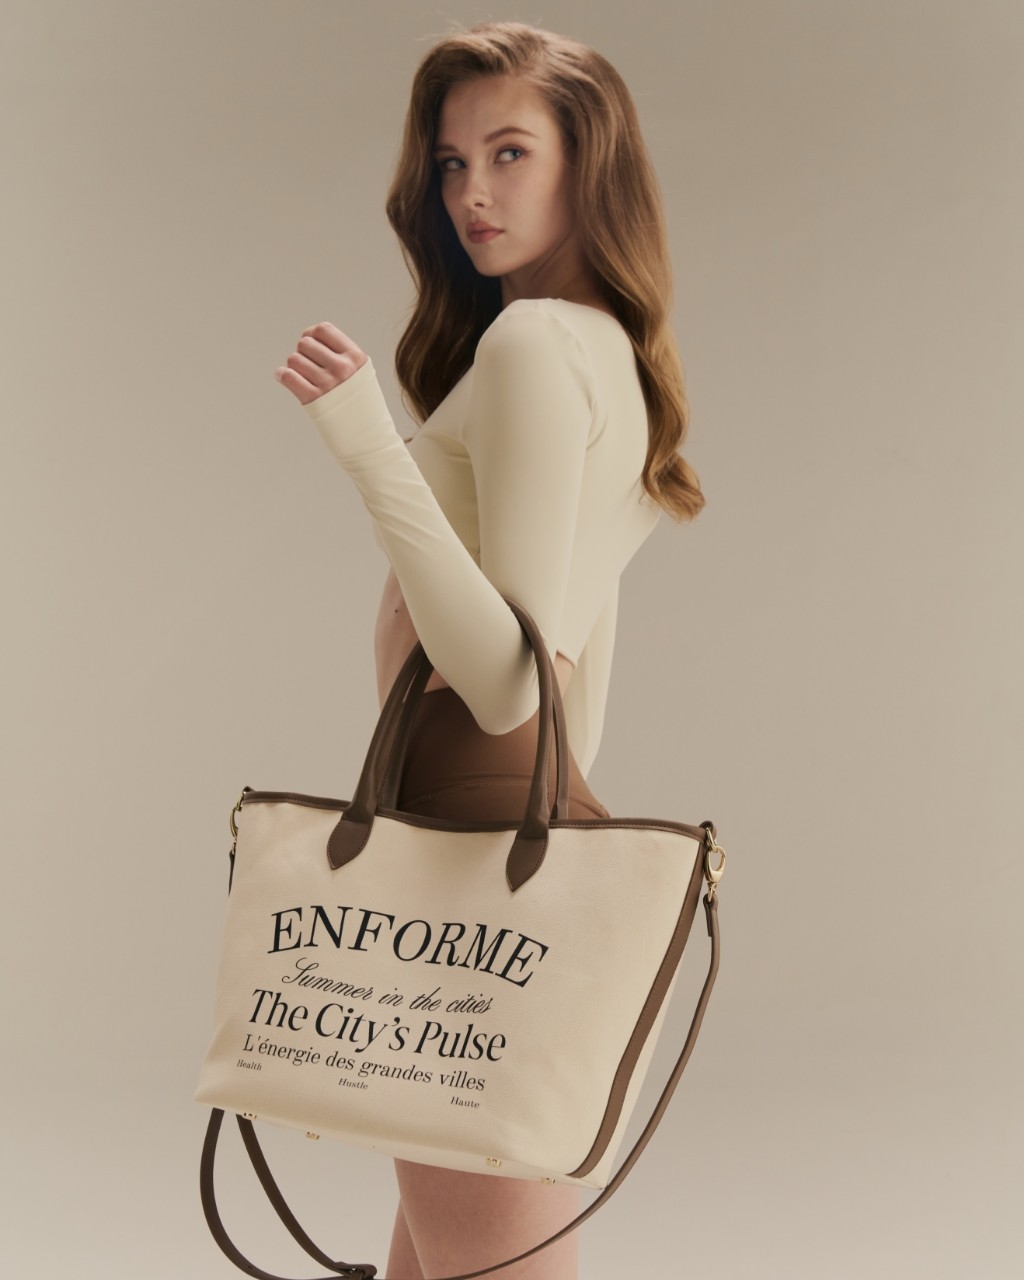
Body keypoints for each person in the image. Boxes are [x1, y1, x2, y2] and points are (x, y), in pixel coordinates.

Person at [273, 19, 704, 1280]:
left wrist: (366, 444)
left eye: (510, 153)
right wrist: (554, 803)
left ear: (588, 164)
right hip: (494, 811)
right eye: (453, 161)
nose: (472, 191)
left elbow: (512, 676)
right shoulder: (607, 351)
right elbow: (576, 646)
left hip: (469, 820)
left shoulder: (530, 347)